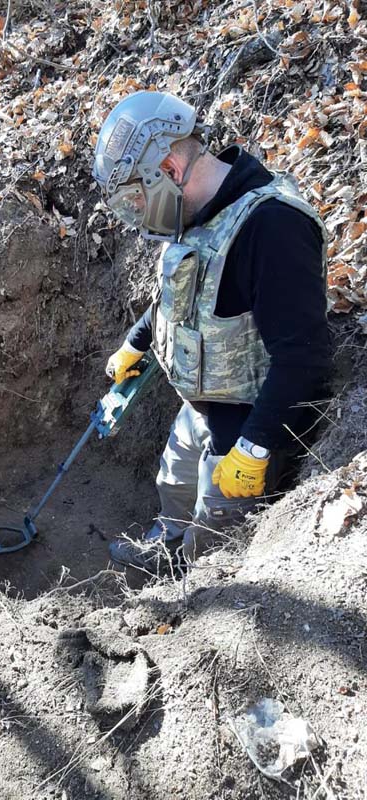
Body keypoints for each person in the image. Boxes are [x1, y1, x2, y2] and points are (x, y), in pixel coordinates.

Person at [92, 91, 331, 572]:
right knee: (175, 485)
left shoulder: (272, 227)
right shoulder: (197, 211)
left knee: (216, 538)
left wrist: (255, 447)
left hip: (247, 431)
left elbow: (305, 358)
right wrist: (134, 345)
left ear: (169, 171)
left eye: (137, 197)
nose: (139, 213)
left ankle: (196, 592)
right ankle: (166, 547)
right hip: (200, 405)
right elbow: (180, 301)